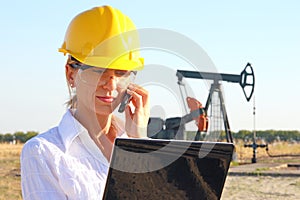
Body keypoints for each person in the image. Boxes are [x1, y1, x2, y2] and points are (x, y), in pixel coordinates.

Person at [20, 5, 149, 200]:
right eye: (98, 70)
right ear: (71, 74)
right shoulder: (44, 152)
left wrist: (139, 143)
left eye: (121, 73)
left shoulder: (135, 142)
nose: (110, 85)